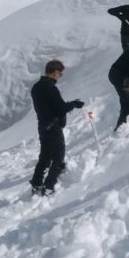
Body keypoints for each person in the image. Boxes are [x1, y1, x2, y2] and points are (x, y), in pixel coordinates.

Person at [29, 60, 84, 196]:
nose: (60, 77)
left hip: (42, 125)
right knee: (58, 157)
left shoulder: (36, 87)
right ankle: (49, 187)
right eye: (60, 74)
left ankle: (36, 183)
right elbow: (60, 109)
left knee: (45, 156)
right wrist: (74, 104)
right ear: (54, 72)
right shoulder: (51, 88)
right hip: (53, 126)